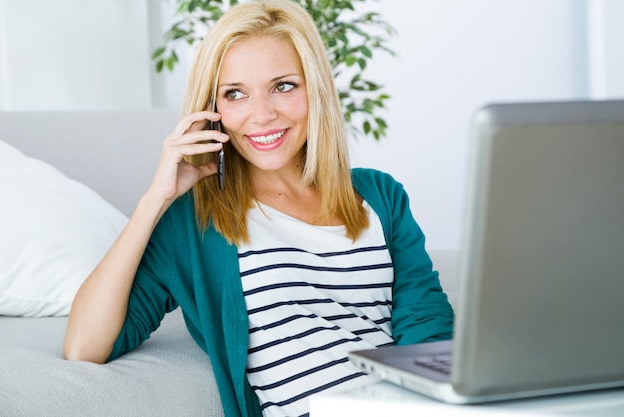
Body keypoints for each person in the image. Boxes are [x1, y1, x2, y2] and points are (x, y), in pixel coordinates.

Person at [63, 0, 454, 416]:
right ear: (213, 111)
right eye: (235, 94)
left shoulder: (380, 195)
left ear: (314, 88)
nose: (262, 115)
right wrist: (153, 201)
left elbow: (428, 333)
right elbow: (84, 346)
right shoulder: (195, 220)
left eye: (283, 86)